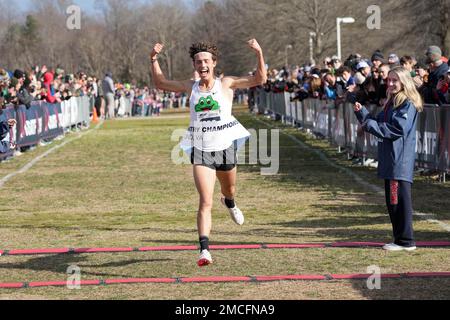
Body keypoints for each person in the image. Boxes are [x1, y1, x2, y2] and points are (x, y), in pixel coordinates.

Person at [150, 39, 267, 266]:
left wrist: (259, 53)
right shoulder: (190, 86)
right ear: (194, 64)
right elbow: (160, 83)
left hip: (225, 148)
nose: (202, 64)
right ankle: (204, 251)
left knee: (228, 189)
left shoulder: (226, 84)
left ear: (213, 63)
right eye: (197, 61)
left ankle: (230, 202)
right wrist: (153, 59)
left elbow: (260, 79)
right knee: (205, 201)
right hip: (202, 150)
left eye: (206, 60)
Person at [353, 67, 423, 252]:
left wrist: (368, 123)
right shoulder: (392, 102)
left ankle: (406, 240)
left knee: (398, 201)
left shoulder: (406, 103)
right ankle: (400, 238)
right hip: (390, 158)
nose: (390, 84)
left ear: (404, 82)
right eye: (389, 80)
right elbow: (380, 123)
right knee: (393, 201)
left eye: (395, 81)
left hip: (398, 159)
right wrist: (363, 114)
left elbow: (396, 129)